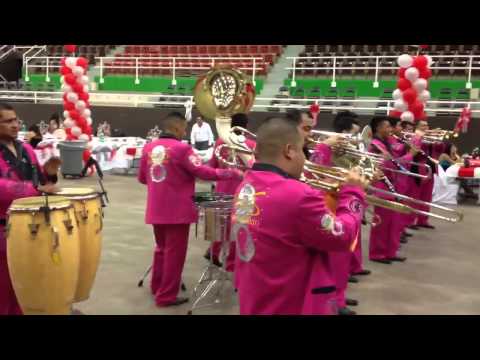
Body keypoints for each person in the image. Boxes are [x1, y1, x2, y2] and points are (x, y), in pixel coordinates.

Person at [232, 115, 368, 315]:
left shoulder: (245, 186)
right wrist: (353, 194)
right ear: (289, 151)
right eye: (303, 150)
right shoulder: (300, 195)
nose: (305, 159)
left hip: (256, 297)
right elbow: (343, 236)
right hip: (291, 302)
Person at [137, 112, 242, 307]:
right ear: (177, 128)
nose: (185, 131)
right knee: (174, 255)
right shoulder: (182, 149)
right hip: (177, 212)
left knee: (161, 249)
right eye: (184, 128)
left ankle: (157, 286)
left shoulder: (148, 148)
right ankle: (166, 296)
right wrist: (231, 172)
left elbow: (143, 178)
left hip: (155, 209)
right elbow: (203, 172)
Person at [0, 102, 61, 315]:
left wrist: (50, 173)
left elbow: (41, 180)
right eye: (8, 121)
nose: (15, 125)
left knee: (24, 285)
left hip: (30, 225)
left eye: (16, 120)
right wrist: (36, 189)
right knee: (4, 287)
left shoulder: (25, 148)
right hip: (3, 228)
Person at [206, 113, 256, 270]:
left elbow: (211, 166)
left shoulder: (220, 142)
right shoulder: (252, 144)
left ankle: (213, 252)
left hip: (221, 187)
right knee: (237, 228)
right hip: (241, 192)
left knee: (219, 225)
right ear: (246, 127)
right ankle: (231, 263)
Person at [368, 116, 416, 264]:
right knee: (382, 223)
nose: (390, 130)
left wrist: (407, 145)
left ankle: (391, 251)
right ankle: (377, 253)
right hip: (382, 187)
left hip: (392, 185)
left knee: (394, 222)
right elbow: (391, 165)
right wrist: (411, 155)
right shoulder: (375, 144)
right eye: (387, 127)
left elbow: (396, 159)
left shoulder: (386, 142)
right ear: (378, 128)